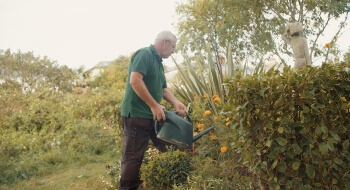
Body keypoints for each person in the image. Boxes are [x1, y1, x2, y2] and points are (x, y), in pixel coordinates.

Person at [119, 30, 187, 190]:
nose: (173, 51)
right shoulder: (144, 54)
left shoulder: (158, 63)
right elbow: (135, 80)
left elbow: (163, 89)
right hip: (136, 116)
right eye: (173, 47)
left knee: (171, 149)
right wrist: (154, 105)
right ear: (165, 42)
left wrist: (176, 102)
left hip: (153, 117)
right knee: (132, 162)